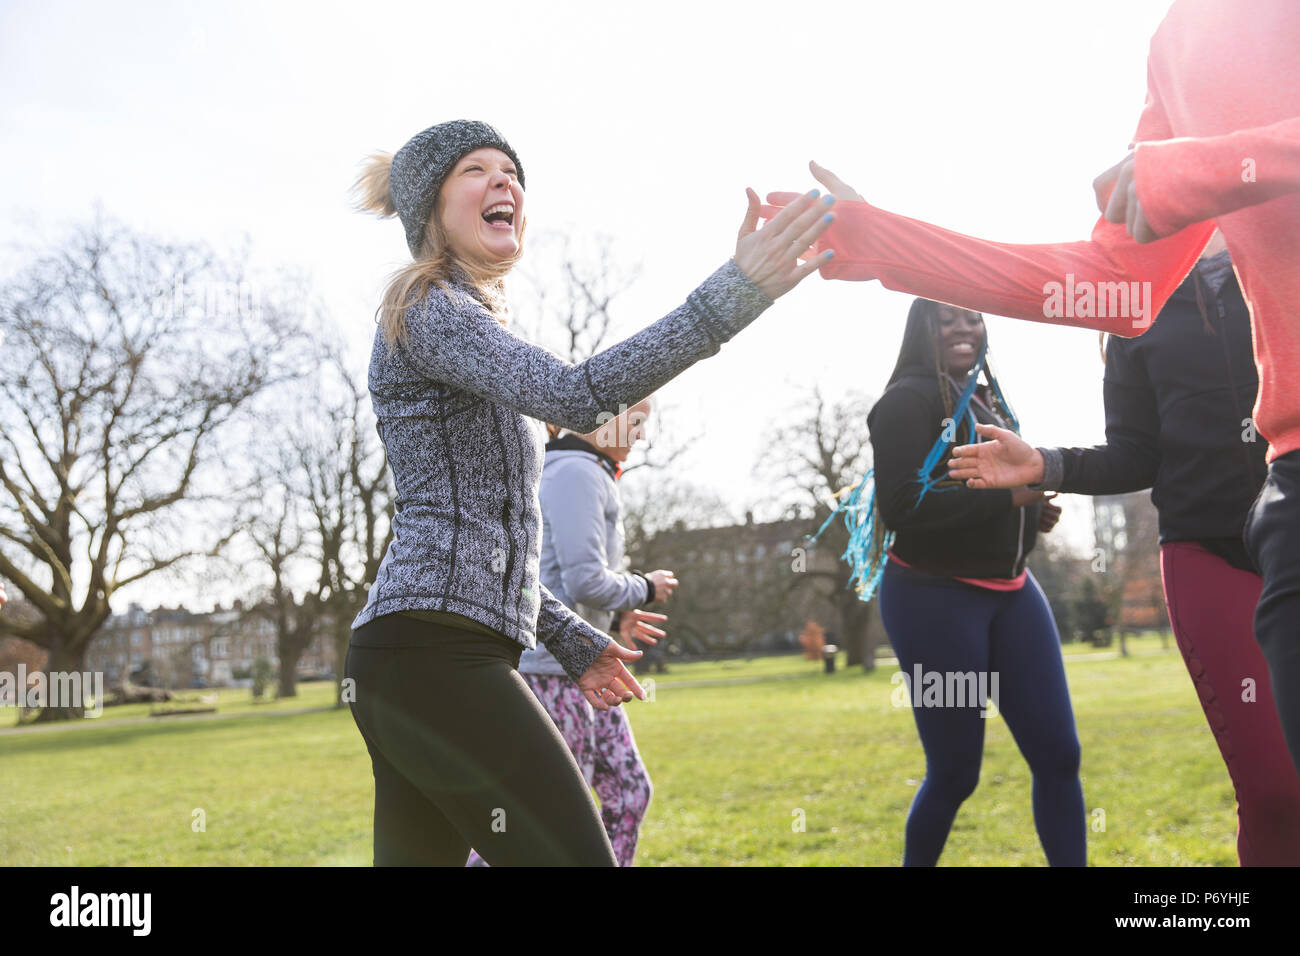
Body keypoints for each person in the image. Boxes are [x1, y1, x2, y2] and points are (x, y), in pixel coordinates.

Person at [766, 0, 1300, 772]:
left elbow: (1176, 183)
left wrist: (1200, 169)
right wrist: (878, 237)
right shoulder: (1185, 41)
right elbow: (1117, 283)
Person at [344, 119, 837, 866]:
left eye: (512, 171)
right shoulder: (428, 309)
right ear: (429, 210)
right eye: (476, 169)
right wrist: (739, 291)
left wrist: (572, 640)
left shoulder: (467, 327)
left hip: (411, 660)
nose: (504, 181)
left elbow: (487, 541)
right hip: (433, 658)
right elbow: (579, 396)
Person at [947, 239, 1300, 865]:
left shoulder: (1281, 245)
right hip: (1208, 556)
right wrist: (1044, 462)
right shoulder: (1138, 305)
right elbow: (1136, 451)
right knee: (1277, 794)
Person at [837, 297, 1080, 866]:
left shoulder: (985, 395)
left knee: (1059, 755)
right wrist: (1009, 499)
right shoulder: (906, 401)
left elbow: (990, 488)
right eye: (947, 319)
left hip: (1015, 594)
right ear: (921, 328)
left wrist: (1028, 513)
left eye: (972, 317)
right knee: (955, 772)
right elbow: (902, 506)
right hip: (933, 598)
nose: (964, 328)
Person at [466, 396, 674, 867]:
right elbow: (585, 579)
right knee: (548, 815)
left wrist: (618, 617)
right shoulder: (577, 473)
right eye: (636, 421)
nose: (641, 434)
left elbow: (563, 576)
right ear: (604, 419)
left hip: (588, 668)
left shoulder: (582, 471)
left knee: (628, 791)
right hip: (555, 673)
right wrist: (643, 588)